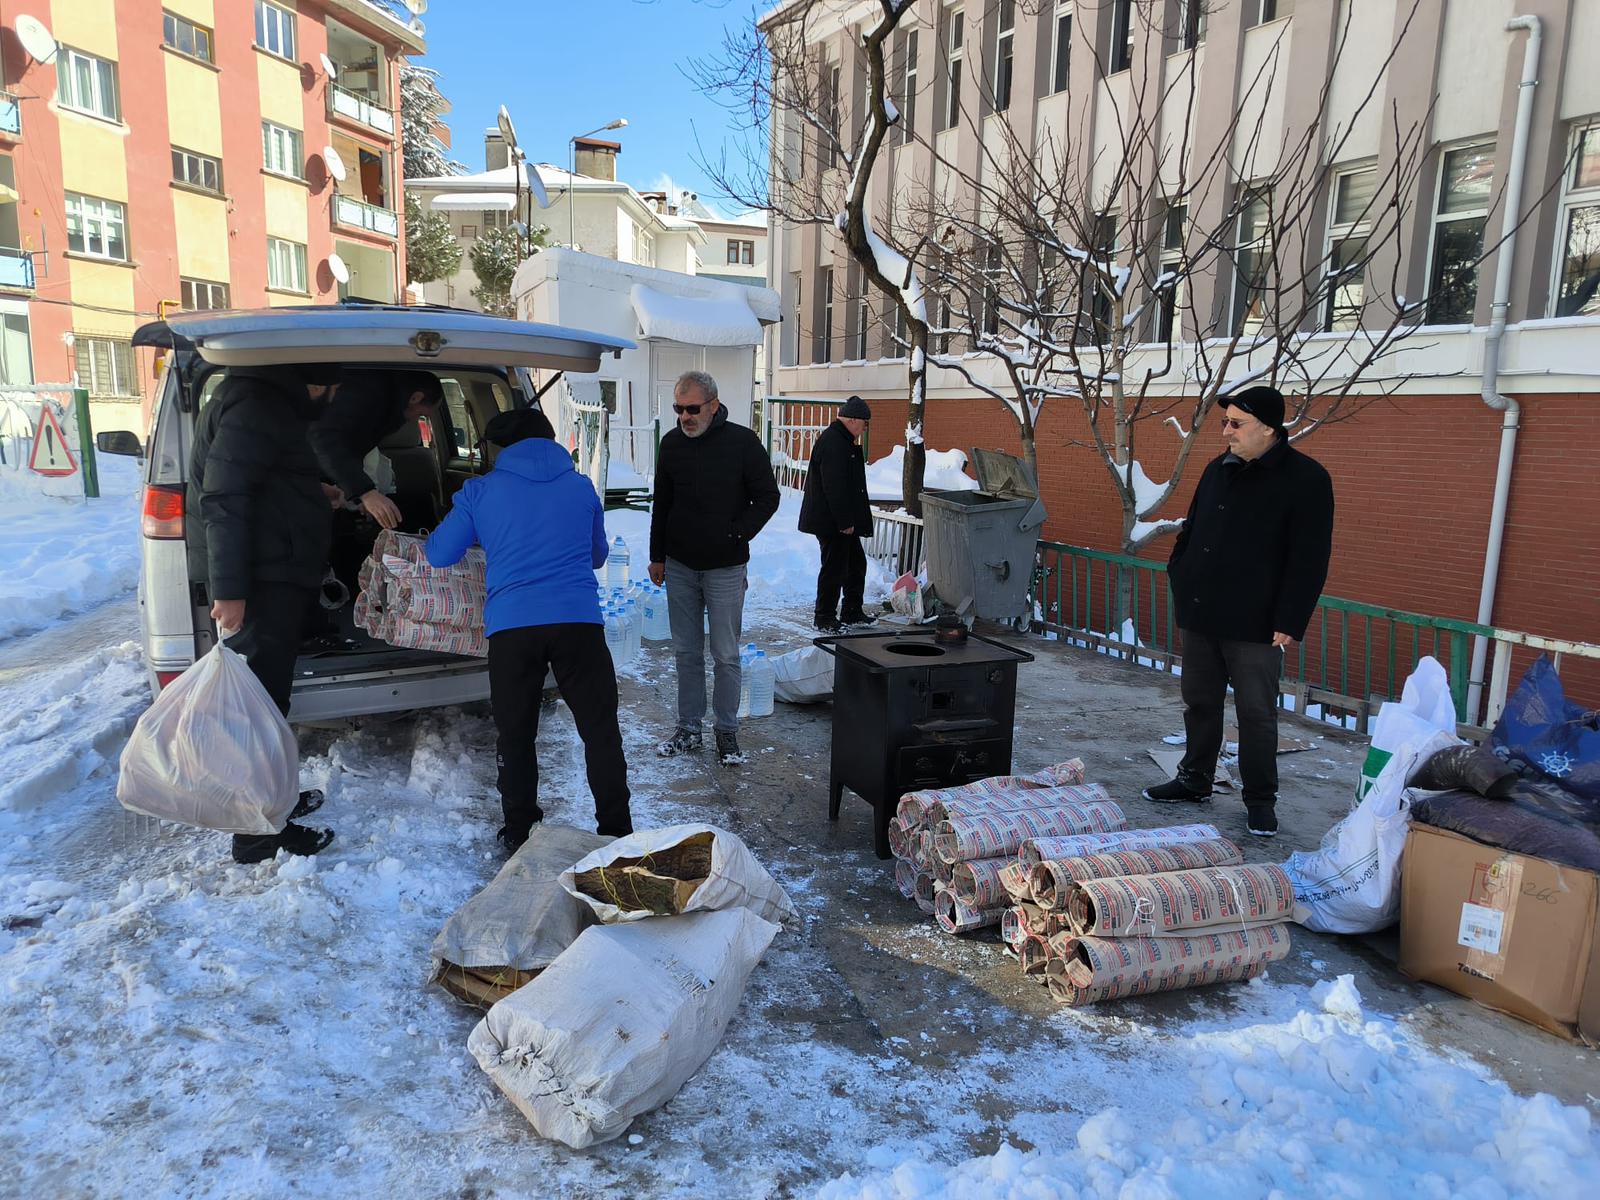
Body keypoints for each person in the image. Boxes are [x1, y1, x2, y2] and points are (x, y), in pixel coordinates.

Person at [424, 407, 632, 850]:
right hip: (579, 624)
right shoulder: (581, 487)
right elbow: (597, 556)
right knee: (599, 730)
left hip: (513, 628)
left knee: (516, 734)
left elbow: (440, 554)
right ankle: (616, 830)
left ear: (502, 449)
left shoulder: (480, 491)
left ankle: (520, 831)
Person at [1142, 385, 1335, 838]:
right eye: (1225, 422)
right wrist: (1181, 572)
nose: (1226, 431)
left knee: (1256, 714)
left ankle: (1260, 801)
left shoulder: (1306, 478)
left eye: (1236, 423)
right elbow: (1193, 528)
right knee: (1200, 704)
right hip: (1202, 612)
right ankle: (1194, 781)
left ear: (1268, 428)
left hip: (1257, 623)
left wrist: (1290, 619)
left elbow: (1310, 558)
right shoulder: (1218, 469)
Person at [187, 364, 343, 864]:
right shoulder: (256, 406)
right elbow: (225, 497)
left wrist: (311, 494)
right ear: (315, 382)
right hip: (259, 586)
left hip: (272, 578)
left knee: (269, 706)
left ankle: (273, 800)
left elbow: (260, 484)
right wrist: (230, 590)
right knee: (257, 711)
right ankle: (256, 835)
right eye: (333, 390)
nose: (332, 398)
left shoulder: (264, 405)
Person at [648, 371, 780, 766]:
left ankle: (726, 732)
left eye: (692, 408)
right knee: (686, 652)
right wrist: (657, 555)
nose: (685, 416)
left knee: (725, 654)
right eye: (679, 409)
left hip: (725, 568)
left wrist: (737, 534)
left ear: (714, 405)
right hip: (681, 565)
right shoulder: (671, 445)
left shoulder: (742, 443)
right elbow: (663, 504)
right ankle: (689, 728)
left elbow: (767, 497)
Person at [309, 369, 444, 530]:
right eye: (420, 414)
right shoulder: (368, 392)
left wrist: (357, 496)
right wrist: (366, 493)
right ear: (415, 398)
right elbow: (322, 437)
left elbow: (351, 449)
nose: (414, 420)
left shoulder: (384, 409)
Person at [799, 395, 876, 633]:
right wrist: (844, 521)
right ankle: (824, 617)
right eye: (864, 423)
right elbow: (834, 485)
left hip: (839, 521)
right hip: (832, 522)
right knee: (834, 568)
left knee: (855, 564)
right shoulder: (835, 442)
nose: (864, 428)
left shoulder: (842, 440)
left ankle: (852, 611)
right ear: (852, 420)